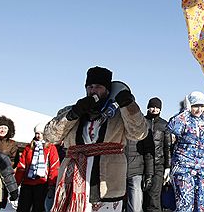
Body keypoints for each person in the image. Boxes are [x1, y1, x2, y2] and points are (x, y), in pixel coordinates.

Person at [44, 66, 147, 212]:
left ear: (107, 89)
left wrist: (129, 106)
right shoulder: (73, 110)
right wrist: (73, 114)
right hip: (73, 179)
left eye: (98, 86)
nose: (93, 90)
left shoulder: (119, 114)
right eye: (90, 86)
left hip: (107, 182)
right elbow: (50, 136)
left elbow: (140, 134)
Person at [167, 91, 204, 211]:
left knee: (203, 204)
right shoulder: (184, 119)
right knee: (184, 203)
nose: (199, 109)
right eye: (195, 106)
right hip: (183, 167)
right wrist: (185, 111)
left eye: (202, 106)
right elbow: (172, 127)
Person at [15, 123, 60, 212]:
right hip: (27, 183)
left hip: (42, 183)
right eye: (37, 133)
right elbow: (22, 165)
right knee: (23, 208)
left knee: (38, 208)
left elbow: (54, 166)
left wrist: (52, 184)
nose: (39, 136)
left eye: (42, 133)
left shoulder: (51, 148)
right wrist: (16, 182)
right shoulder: (29, 147)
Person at [142, 97, 172, 212]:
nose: (154, 109)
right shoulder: (143, 121)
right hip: (142, 163)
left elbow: (167, 147)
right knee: (143, 195)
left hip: (158, 164)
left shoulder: (164, 124)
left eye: (157, 107)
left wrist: (168, 167)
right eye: (152, 107)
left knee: (154, 196)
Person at [0, 115, 20, 210]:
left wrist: (6, 166)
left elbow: (15, 160)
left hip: (4, 174)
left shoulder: (12, 144)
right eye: (1, 127)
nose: (3, 130)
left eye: (5, 128)